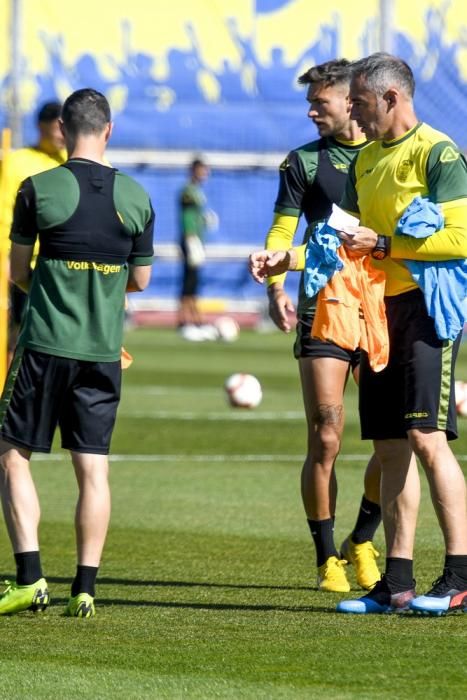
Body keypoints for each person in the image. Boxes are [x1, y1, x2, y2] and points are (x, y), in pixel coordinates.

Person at [251, 52, 467, 616]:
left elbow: (463, 238)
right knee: (391, 446)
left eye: (363, 104)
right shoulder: (366, 162)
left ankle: (460, 575)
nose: (358, 114)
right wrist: (286, 261)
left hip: (424, 310)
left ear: (390, 99)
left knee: (427, 439)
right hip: (376, 313)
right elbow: (337, 243)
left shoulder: (439, 153)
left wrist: (389, 246)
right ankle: (395, 583)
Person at [0, 88, 154, 617]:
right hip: (104, 352)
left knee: (12, 454)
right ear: (108, 130)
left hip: (43, 345)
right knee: (93, 469)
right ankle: (85, 588)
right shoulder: (136, 196)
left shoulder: (37, 188)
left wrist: (56, 285)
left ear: (62, 131)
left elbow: (17, 274)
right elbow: (141, 278)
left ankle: (29, 579)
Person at [263, 59, 382, 593]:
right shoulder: (303, 163)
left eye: (321, 101)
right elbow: (282, 229)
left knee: (394, 438)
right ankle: (325, 556)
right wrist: (275, 286)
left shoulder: (390, 156)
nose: (312, 111)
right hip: (322, 310)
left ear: (352, 99)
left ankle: (363, 538)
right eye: (309, 102)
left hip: (382, 308)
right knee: (326, 435)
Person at [0, 101, 67, 362]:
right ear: (42, 126)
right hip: (28, 263)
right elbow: (4, 212)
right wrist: (6, 257)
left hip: (66, 263)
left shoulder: (74, 160)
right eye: (58, 127)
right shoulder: (19, 161)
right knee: (22, 333)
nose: (63, 133)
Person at [177, 157, 217, 341]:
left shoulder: (197, 192)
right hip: (191, 240)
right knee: (189, 280)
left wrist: (203, 220)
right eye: (202, 170)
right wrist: (191, 237)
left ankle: (192, 317)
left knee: (194, 280)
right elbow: (186, 216)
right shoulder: (188, 191)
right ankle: (185, 319)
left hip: (197, 240)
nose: (205, 174)